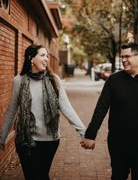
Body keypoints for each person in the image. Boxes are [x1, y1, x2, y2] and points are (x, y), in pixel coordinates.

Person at [0, 44, 86, 180]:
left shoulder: (54, 80)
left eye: (47, 55)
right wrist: (2, 136)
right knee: (31, 176)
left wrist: (84, 132)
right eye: (42, 55)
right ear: (31, 58)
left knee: (42, 175)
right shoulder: (19, 81)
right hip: (25, 140)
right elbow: (12, 110)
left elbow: (67, 108)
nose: (46, 59)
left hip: (50, 140)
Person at [81, 42, 138, 180]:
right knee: (118, 176)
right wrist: (90, 134)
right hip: (118, 143)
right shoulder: (113, 80)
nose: (123, 60)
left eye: (127, 56)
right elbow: (101, 107)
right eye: (122, 57)